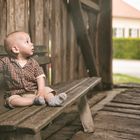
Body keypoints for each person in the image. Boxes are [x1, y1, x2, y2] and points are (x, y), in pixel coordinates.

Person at [0, 31, 67, 108]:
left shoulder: (33, 62)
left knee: (47, 90)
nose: (32, 44)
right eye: (27, 42)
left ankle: (52, 100)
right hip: (17, 94)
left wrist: (41, 91)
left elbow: (40, 77)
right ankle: (34, 101)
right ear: (15, 49)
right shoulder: (5, 62)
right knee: (12, 100)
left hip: (35, 92)